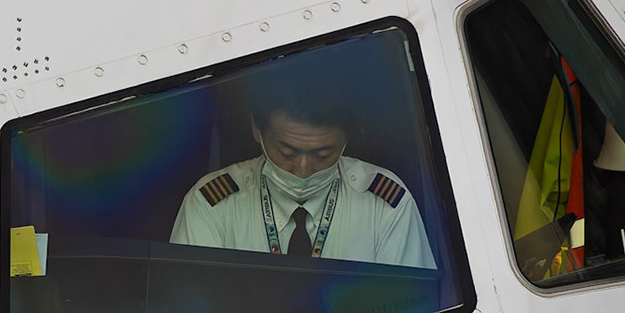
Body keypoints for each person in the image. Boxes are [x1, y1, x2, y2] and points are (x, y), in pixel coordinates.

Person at [168, 79, 435, 268]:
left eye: (323, 154)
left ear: (348, 139)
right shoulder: (211, 205)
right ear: (256, 130)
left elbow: (413, 312)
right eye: (287, 152)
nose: (303, 170)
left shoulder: (385, 205)